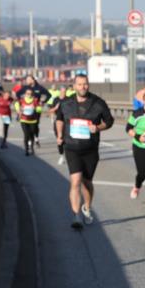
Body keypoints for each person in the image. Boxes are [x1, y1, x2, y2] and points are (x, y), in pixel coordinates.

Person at [56, 73, 114, 229]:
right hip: (72, 147)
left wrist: (98, 127)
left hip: (90, 149)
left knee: (87, 183)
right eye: (80, 84)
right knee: (75, 181)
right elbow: (59, 118)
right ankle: (76, 216)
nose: (83, 87)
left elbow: (109, 121)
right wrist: (60, 136)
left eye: (85, 84)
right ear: (74, 86)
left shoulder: (98, 103)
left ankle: (87, 207)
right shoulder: (66, 103)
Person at [14, 89, 41, 156]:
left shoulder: (35, 100)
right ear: (25, 94)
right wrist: (18, 110)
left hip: (33, 120)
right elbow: (16, 104)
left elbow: (39, 108)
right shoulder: (22, 100)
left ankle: (31, 148)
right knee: (26, 134)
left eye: (30, 93)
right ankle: (26, 150)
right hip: (24, 120)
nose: (29, 95)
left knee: (31, 134)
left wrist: (37, 109)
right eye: (28, 93)